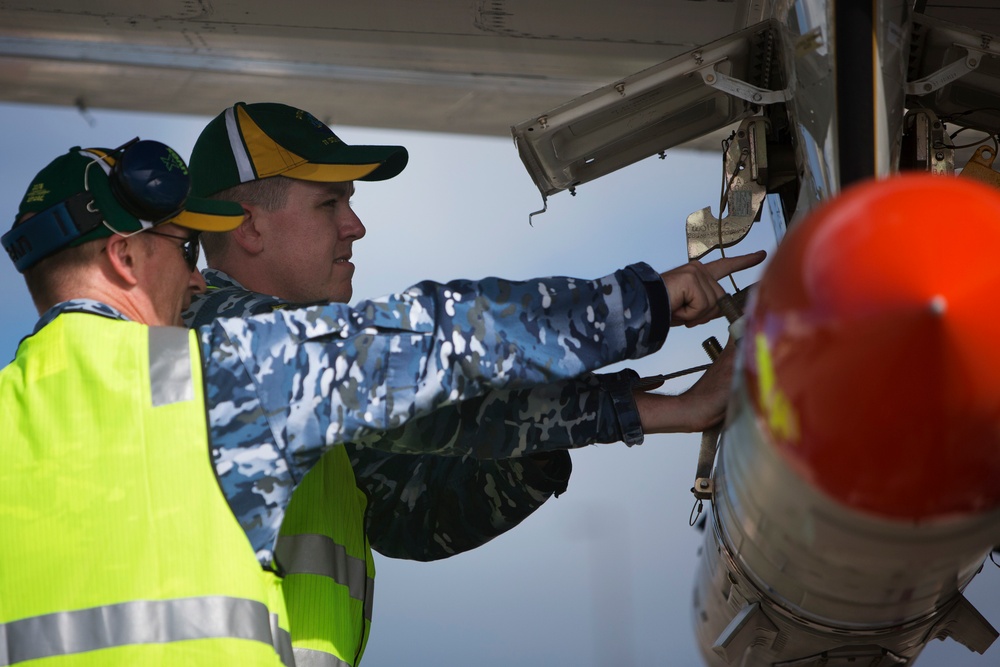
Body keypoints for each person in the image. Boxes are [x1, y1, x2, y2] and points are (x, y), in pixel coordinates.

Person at [183, 102, 766, 665]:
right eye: (328, 203)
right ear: (249, 225)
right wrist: (639, 309)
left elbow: (420, 511)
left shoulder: (312, 387)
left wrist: (651, 409)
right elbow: (428, 367)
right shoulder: (213, 338)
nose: (355, 226)